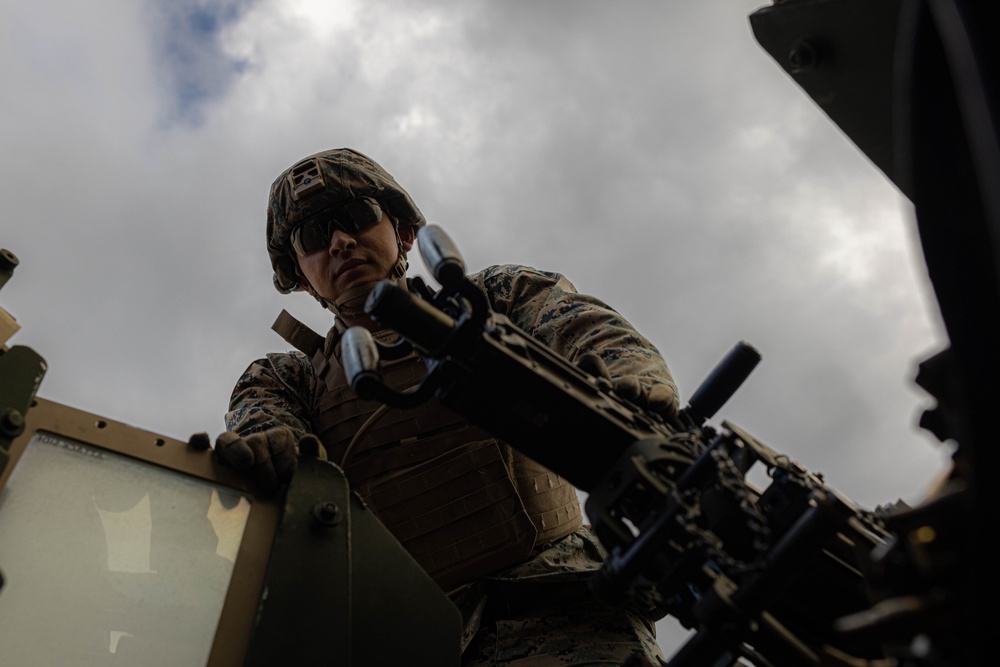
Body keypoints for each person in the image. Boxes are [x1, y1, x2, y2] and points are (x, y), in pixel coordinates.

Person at [214, 148, 681, 665]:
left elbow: (590, 335)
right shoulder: (287, 379)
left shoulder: (492, 300)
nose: (340, 241)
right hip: (418, 641)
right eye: (312, 237)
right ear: (301, 276)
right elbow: (264, 430)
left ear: (404, 233)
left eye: (355, 217)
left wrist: (635, 393)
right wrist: (272, 454)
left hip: (565, 611)